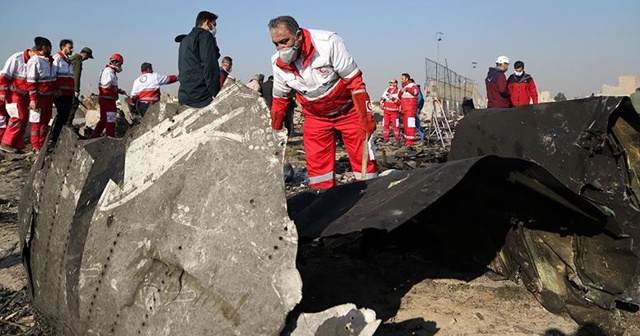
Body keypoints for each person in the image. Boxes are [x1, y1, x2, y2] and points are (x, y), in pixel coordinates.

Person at [268, 15, 377, 189]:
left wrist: (365, 117)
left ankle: (372, 197)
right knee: (318, 170)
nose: (281, 48)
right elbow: (280, 103)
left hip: (348, 112)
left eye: (284, 41)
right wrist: (273, 135)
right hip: (316, 117)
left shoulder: (328, 43)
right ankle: (326, 203)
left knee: (363, 161)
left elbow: (355, 83)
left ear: (299, 36)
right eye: (276, 44)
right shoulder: (278, 64)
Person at [0, 43, 38, 153]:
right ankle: (6, 143)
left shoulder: (34, 62)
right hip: (13, 93)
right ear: (32, 51)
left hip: (24, 95)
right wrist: (3, 92)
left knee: (24, 118)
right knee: (17, 117)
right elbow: (4, 76)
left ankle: (17, 144)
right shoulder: (17, 58)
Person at [178, 10, 221, 108]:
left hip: (185, 93)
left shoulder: (185, 40)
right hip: (201, 95)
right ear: (207, 22)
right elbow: (209, 66)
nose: (214, 28)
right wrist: (215, 92)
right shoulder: (205, 36)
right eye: (213, 24)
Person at [26, 37, 57, 153]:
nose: (51, 50)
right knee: (36, 122)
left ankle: (42, 144)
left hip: (49, 97)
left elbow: (52, 79)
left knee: (45, 122)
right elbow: (31, 82)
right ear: (44, 47)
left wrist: (55, 90)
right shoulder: (35, 61)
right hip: (39, 98)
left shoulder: (48, 61)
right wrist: (33, 99)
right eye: (50, 47)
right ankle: (35, 146)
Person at [91, 53, 126, 138]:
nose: (120, 66)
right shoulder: (109, 72)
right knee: (111, 120)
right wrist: (116, 90)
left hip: (105, 99)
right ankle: (111, 137)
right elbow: (107, 85)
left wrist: (119, 90)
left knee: (103, 121)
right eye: (120, 64)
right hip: (108, 100)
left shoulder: (107, 71)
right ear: (117, 63)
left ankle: (93, 137)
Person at [50, 39, 75, 147]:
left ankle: (60, 138)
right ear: (63, 47)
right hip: (60, 94)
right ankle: (54, 138)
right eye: (70, 47)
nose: (72, 49)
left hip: (68, 93)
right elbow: (52, 76)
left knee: (65, 116)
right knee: (61, 116)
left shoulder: (67, 61)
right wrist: (56, 90)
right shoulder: (57, 59)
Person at [69, 47, 93, 126]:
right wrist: (76, 90)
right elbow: (76, 76)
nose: (87, 59)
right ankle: (68, 125)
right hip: (71, 87)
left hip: (69, 86)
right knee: (73, 105)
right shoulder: (77, 60)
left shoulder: (74, 58)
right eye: (87, 57)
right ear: (85, 54)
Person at [398, 73, 419, 148]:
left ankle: (410, 143)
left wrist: (407, 89)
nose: (401, 80)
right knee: (406, 127)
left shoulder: (411, 85)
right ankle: (407, 141)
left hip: (410, 110)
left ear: (406, 79)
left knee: (410, 126)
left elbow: (416, 92)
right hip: (405, 111)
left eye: (402, 78)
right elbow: (400, 97)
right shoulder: (404, 87)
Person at [379, 78, 401, 142]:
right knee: (385, 125)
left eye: (391, 82)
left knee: (396, 125)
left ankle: (397, 138)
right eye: (389, 82)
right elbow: (382, 98)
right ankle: (386, 138)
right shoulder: (387, 90)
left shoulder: (398, 91)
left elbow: (399, 102)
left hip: (394, 111)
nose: (390, 84)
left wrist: (392, 98)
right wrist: (381, 103)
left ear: (396, 83)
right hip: (386, 111)